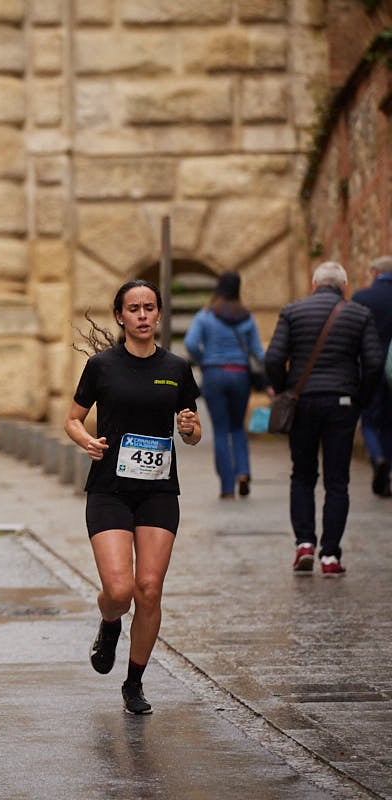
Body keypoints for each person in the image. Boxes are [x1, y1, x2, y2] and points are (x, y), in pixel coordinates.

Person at [64, 279, 202, 715]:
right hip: (109, 489)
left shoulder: (177, 368)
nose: (142, 315)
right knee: (120, 590)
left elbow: (194, 431)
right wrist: (86, 440)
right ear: (120, 317)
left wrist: (187, 430)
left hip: (159, 491)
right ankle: (109, 624)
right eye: (133, 308)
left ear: (159, 315)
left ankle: (134, 682)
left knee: (149, 589)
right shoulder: (102, 366)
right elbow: (72, 420)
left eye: (149, 308)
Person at [264, 261, 383, 576]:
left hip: (302, 402)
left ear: (314, 285)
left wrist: (284, 389)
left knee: (302, 475)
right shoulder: (359, 314)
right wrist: (361, 398)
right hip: (342, 402)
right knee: (337, 481)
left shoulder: (292, 311)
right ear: (343, 287)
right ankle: (330, 556)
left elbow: (274, 357)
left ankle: (304, 543)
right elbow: (373, 362)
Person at [183, 271, 266, 498]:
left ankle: (228, 488)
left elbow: (190, 343)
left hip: (214, 375)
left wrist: (204, 361)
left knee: (220, 430)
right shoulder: (246, 317)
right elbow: (258, 351)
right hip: (240, 375)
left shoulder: (206, 316)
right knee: (238, 427)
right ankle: (243, 471)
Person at [351, 255, 392, 497]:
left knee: (367, 419)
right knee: (389, 422)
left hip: (367, 367)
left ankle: (377, 457)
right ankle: (385, 477)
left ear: (375, 273)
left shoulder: (361, 298)